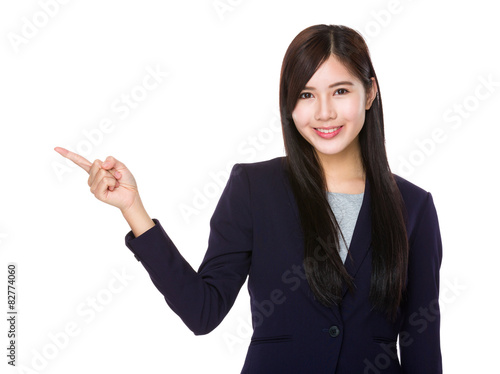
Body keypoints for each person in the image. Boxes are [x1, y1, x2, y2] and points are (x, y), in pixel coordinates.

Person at [55, 24, 442, 373]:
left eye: (340, 91)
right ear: (289, 104)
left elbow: (422, 350)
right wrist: (133, 209)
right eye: (306, 94)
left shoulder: (414, 206)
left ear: (370, 93)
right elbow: (202, 312)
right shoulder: (255, 188)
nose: (324, 113)